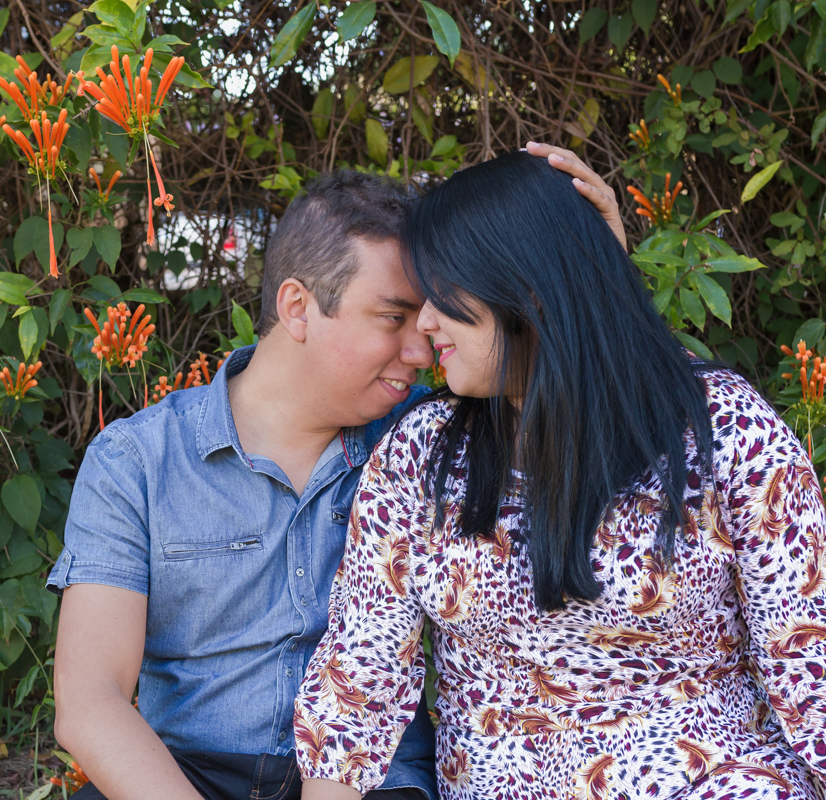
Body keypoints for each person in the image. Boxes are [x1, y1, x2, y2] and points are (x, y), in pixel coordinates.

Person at [49, 144, 626, 800]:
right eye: (393, 317)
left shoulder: (434, 441)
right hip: (185, 777)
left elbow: (583, 403)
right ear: (298, 307)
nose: (423, 347)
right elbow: (91, 700)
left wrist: (596, 271)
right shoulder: (139, 462)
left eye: (430, 315)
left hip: (376, 779)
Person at [294, 151, 826, 800]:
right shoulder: (421, 457)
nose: (424, 326)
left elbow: (819, 662)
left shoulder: (721, 427)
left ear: (526, 288)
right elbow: (358, 680)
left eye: (443, 295)